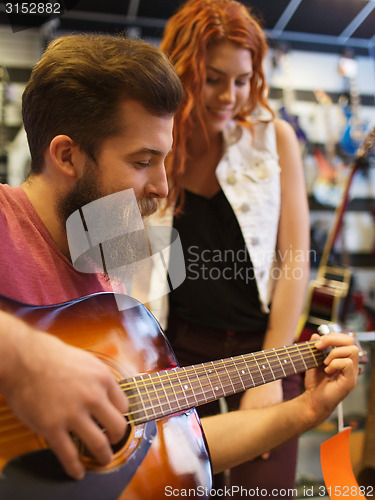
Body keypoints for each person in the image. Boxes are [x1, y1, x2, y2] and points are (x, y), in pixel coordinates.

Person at [0, 33, 359, 493]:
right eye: (143, 161)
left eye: (165, 160)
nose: (163, 187)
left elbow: (174, 443)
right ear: (67, 155)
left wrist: (307, 410)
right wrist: (25, 356)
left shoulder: (110, 272)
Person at [147, 0, 310, 495]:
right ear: (181, 72)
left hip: (260, 350)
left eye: (242, 80)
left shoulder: (274, 139)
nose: (229, 96)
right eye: (213, 78)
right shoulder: (151, 142)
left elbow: (294, 261)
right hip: (174, 360)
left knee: (260, 488)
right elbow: (122, 261)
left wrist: (269, 370)